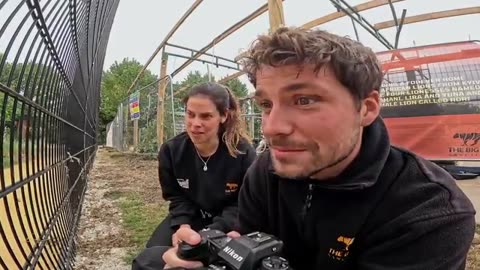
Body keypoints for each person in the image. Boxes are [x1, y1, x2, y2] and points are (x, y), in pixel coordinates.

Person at [134, 27, 476, 270]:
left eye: (304, 100)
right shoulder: (266, 172)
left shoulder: (429, 210)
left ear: (367, 108)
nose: (271, 127)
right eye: (266, 104)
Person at [143, 81, 256, 249]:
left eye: (205, 116)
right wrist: (183, 226)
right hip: (190, 217)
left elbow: (244, 203)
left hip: (231, 222)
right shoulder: (171, 151)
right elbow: (176, 196)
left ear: (223, 115)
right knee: (151, 256)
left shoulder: (243, 153)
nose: (195, 123)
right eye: (190, 114)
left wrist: (211, 232)